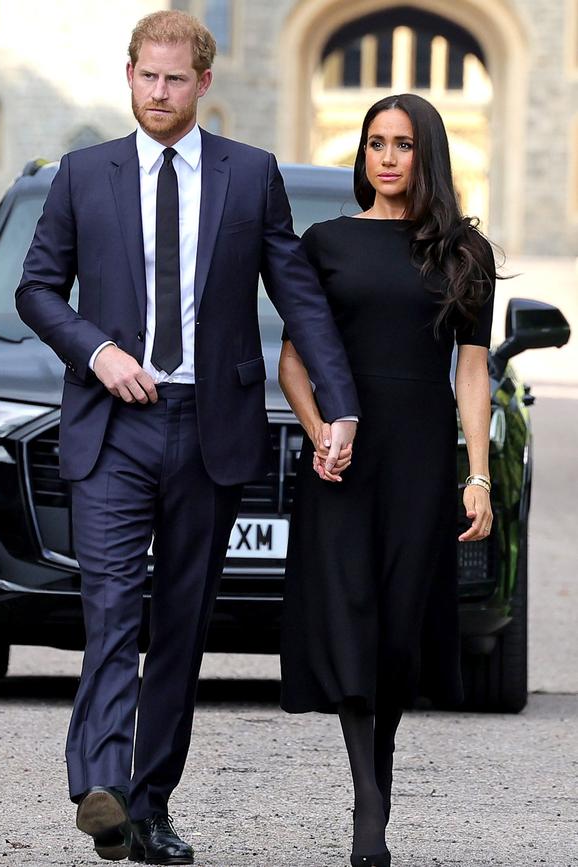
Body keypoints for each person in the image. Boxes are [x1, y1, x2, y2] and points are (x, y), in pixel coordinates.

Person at [16, 10, 360, 866]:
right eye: (146, 77)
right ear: (127, 75)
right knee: (111, 608)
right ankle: (100, 784)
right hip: (114, 426)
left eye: (175, 80)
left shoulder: (250, 177)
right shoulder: (80, 175)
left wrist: (340, 402)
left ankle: (150, 804)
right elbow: (36, 289)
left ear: (204, 83)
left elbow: (299, 296)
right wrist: (97, 352)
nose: (159, 93)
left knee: (180, 625)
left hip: (212, 428)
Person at [279, 93, 495, 867]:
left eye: (403, 144)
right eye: (376, 143)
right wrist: (317, 435)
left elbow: (474, 372)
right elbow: (295, 358)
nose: (388, 157)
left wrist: (478, 475)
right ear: (363, 154)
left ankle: (379, 780)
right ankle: (369, 806)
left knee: (399, 624)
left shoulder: (465, 251)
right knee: (350, 614)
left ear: (426, 153)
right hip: (346, 458)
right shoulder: (326, 242)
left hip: (419, 458)